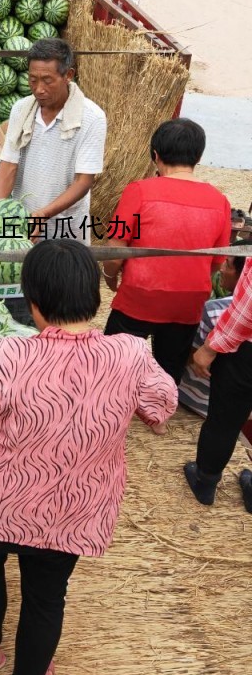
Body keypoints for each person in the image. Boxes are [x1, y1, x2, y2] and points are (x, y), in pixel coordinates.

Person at [0, 240, 177, 675]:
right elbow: (162, 405)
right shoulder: (131, 354)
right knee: (46, 598)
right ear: (96, 298)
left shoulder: (3, 355)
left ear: (32, 302)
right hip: (71, 514)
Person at [102, 119, 231, 384]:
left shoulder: (137, 190)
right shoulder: (221, 201)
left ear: (155, 155)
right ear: (199, 156)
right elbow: (216, 263)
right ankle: (159, 417)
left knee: (115, 360)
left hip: (140, 294)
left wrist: (109, 276)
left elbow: (116, 247)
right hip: (188, 301)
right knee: (169, 368)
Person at [0, 37, 107, 243]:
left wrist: (44, 213)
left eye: (47, 80)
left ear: (68, 75)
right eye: (32, 80)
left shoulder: (92, 117)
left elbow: (83, 181)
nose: (38, 89)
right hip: (24, 227)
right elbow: (8, 164)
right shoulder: (21, 109)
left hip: (66, 228)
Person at [184, 253, 252, 511]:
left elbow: (246, 311)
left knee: (225, 418)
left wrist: (211, 347)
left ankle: (205, 481)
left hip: (247, 352)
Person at [178, 242, 252, 418]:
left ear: (245, 273)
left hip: (191, 402)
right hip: (234, 410)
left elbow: (186, 358)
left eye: (227, 263)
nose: (221, 270)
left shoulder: (213, 310)